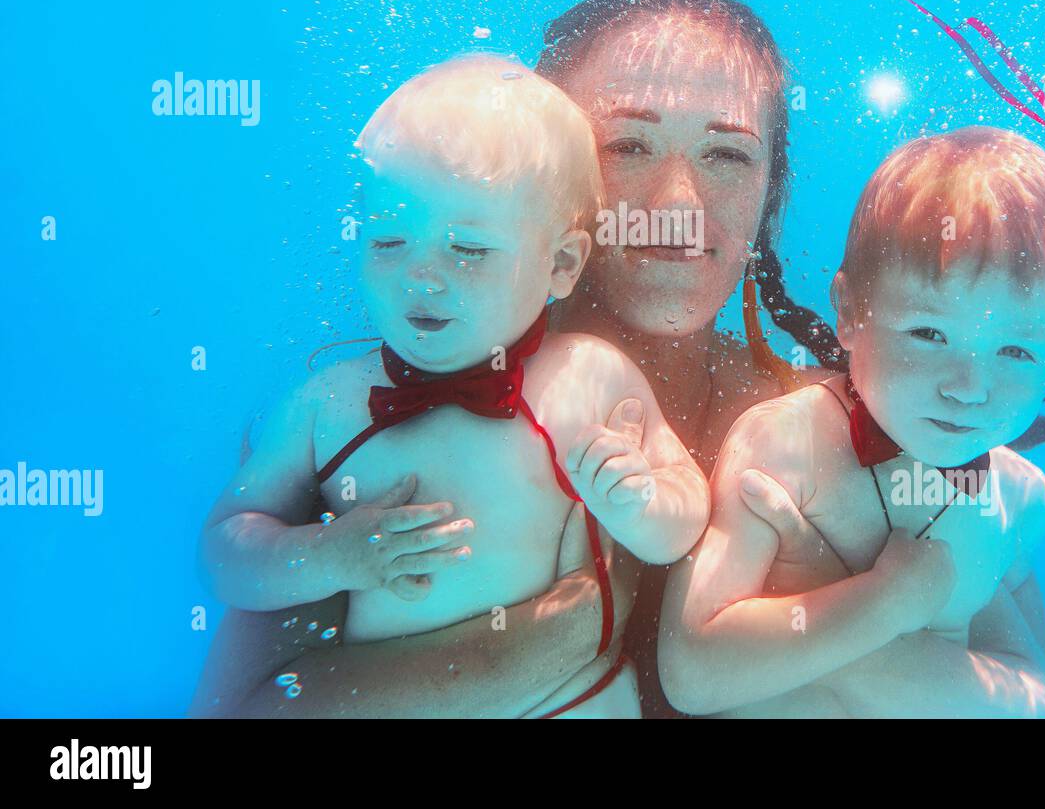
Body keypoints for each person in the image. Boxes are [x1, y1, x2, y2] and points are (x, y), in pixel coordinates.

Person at [197, 56, 708, 717]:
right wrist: (325, 555)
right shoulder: (328, 404)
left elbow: (683, 517)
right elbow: (223, 551)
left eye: (467, 249)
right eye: (388, 242)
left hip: (570, 701)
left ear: (561, 263)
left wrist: (640, 505)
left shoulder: (588, 373)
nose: (422, 276)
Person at [659, 127, 1045, 717]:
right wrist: (886, 604)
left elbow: (1040, 707)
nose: (969, 388)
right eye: (929, 334)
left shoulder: (1018, 498)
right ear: (851, 312)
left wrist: (852, 614)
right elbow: (692, 673)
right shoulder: (786, 446)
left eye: (1016, 352)